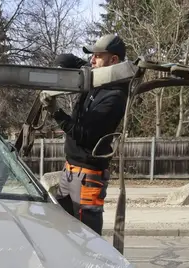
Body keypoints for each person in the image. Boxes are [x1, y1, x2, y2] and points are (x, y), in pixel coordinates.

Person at [44, 34, 129, 235]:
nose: (92, 60)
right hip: (70, 171)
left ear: (113, 60)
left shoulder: (114, 97)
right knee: (63, 233)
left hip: (87, 177)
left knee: (86, 237)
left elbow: (84, 134)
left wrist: (56, 112)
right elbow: (66, 59)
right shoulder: (95, 78)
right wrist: (63, 66)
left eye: (97, 56)